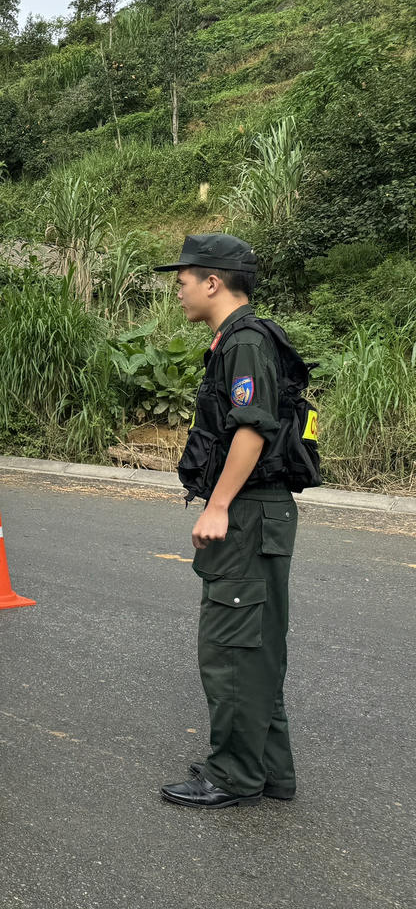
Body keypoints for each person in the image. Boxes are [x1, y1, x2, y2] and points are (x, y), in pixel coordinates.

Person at [154, 233, 301, 809]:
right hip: (259, 512)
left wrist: (217, 505)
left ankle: (234, 775)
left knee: (232, 647)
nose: (180, 291)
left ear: (213, 281)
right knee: (256, 646)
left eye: (184, 280)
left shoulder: (243, 342)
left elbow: (251, 427)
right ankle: (268, 771)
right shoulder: (242, 339)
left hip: (246, 512)